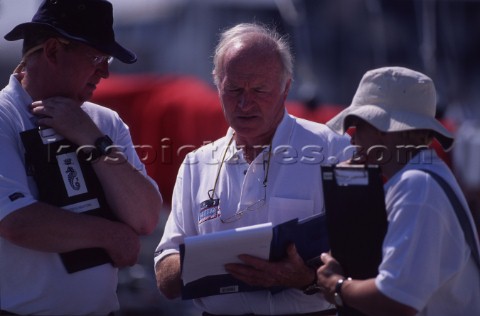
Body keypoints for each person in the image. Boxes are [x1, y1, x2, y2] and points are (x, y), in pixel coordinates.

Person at [154, 23, 350, 316]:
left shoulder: (332, 150)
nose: (245, 103)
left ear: (286, 87)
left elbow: (367, 258)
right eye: (233, 89)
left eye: (259, 90)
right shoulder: (196, 164)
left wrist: (306, 279)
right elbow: (165, 277)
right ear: (217, 83)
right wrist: (213, 260)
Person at [0, 0, 163, 315]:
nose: (105, 72)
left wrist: (93, 140)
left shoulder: (105, 122)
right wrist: (111, 236)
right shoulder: (4, 118)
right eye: (98, 57)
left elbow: (145, 217)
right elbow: (16, 222)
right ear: (52, 51)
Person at [315, 66, 480, 316]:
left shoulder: (417, 186)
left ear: (381, 127)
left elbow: (396, 300)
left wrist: (335, 286)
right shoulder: (424, 177)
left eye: (357, 126)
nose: (352, 139)